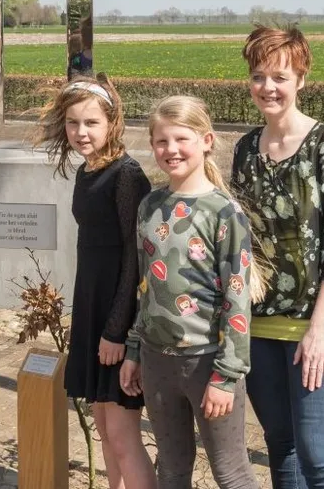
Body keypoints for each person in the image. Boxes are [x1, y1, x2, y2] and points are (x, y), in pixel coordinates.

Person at [231, 25, 324, 489]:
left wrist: (319, 328)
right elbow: (241, 239)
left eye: (280, 77)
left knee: (320, 457)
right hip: (260, 326)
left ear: (301, 80)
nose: (268, 87)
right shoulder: (246, 149)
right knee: (282, 448)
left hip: (318, 325)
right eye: (259, 76)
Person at [120, 95, 264, 489]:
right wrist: (134, 350)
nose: (171, 149)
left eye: (181, 139)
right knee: (171, 467)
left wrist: (225, 376)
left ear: (206, 141)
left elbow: (237, 299)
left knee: (231, 472)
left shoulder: (224, 213)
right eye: (161, 141)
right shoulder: (150, 206)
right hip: (156, 362)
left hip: (208, 364)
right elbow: (145, 287)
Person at [37, 74, 156, 489]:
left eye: (91, 122)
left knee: (124, 436)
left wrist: (116, 331)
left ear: (112, 123)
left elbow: (135, 260)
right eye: (73, 123)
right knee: (105, 429)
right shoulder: (88, 171)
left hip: (115, 318)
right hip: (92, 310)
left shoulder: (127, 176)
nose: (81, 132)